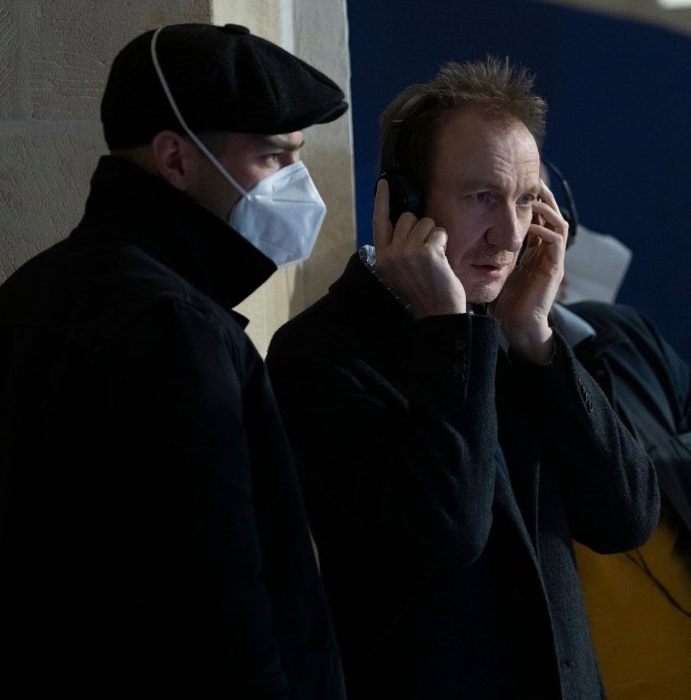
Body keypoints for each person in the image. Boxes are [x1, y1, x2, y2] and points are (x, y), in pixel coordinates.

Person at [264, 57, 660, 699]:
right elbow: (450, 528)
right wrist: (447, 331)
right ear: (404, 203)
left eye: (526, 200)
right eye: (482, 198)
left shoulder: (519, 333)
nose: (511, 234)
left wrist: (535, 339)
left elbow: (626, 519)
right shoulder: (318, 354)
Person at [0, 23, 348, 697]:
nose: (299, 187)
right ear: (175, 160)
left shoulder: (28, 294)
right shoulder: (177, 331)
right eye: (272, 158)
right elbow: (220, 613)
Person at [543, 164, 691, 698]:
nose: (522, 231)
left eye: (536, 203)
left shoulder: (622, 334)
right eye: (486, 199)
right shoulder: (440, 382)